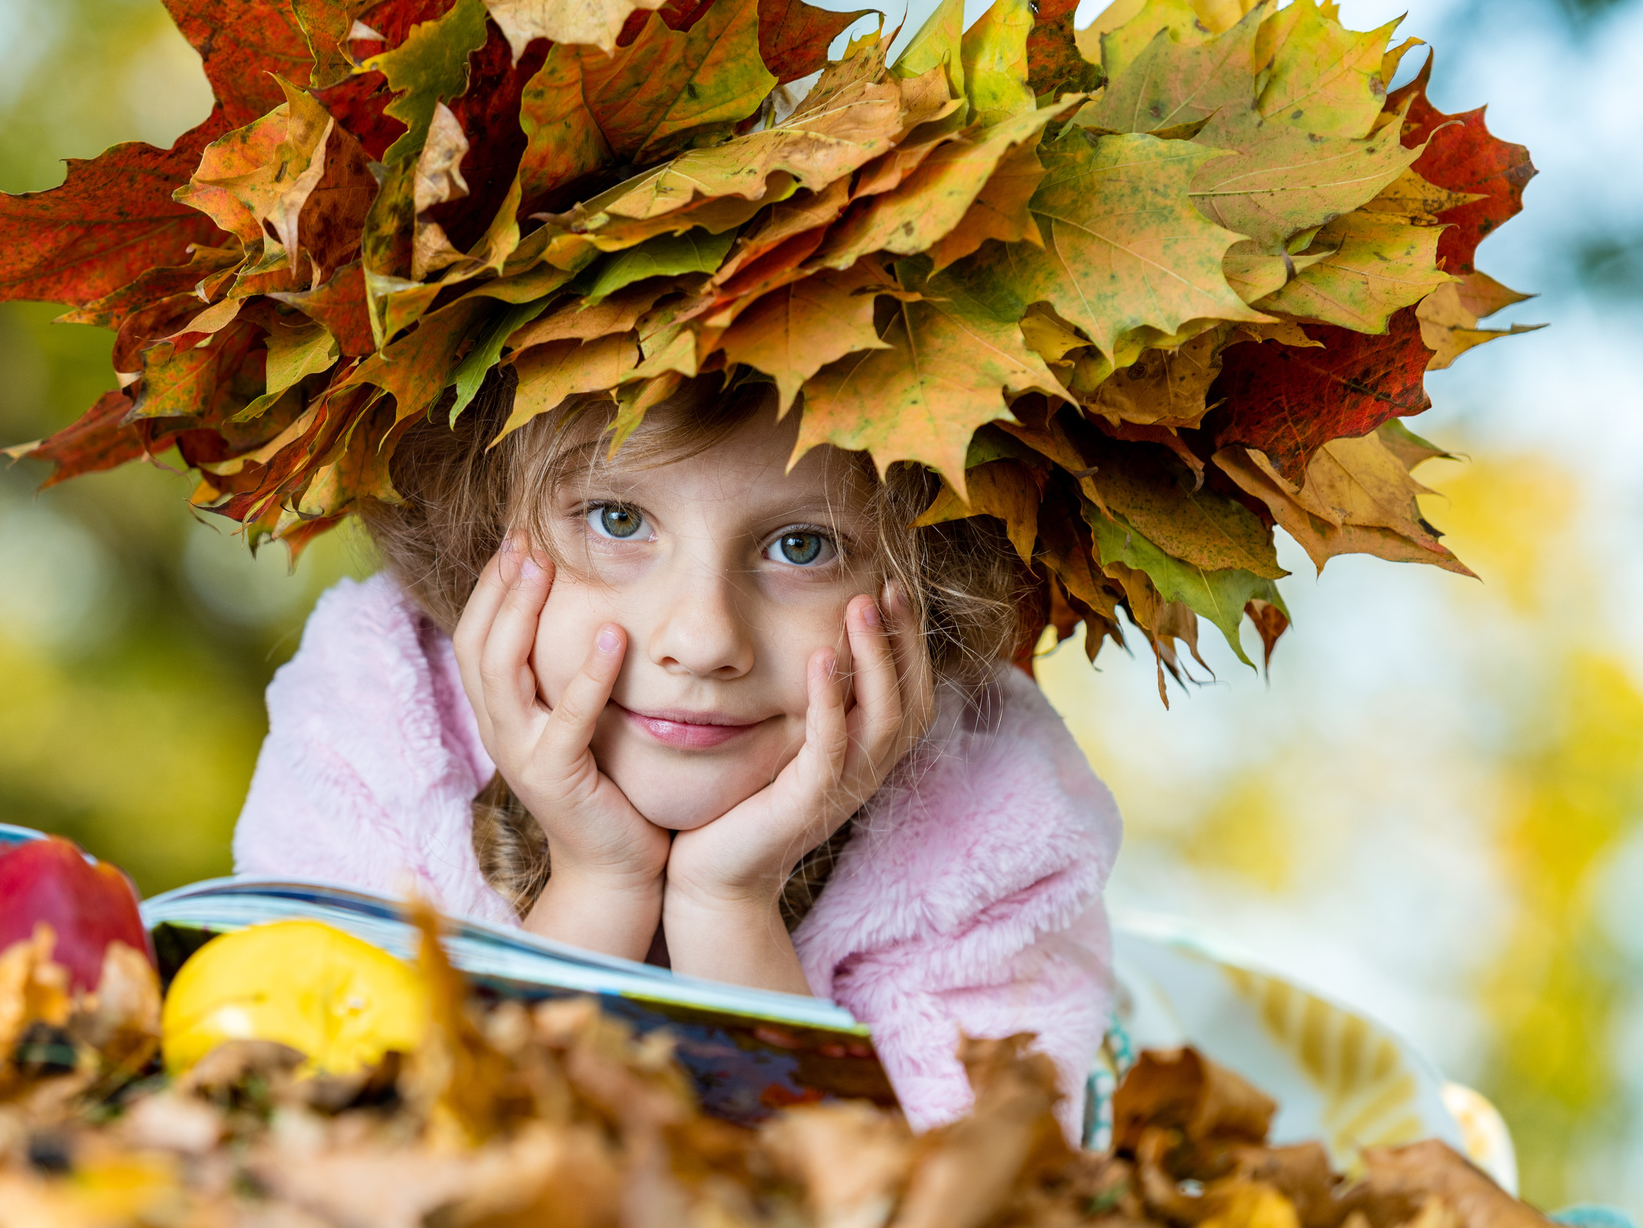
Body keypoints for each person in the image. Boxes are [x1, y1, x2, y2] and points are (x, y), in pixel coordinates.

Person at [231, 373, 1120, 1135]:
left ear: (920, 585)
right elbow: (358, 1166)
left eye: (800, 546)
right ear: (480, 529)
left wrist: (728, 905)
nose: (700, 639)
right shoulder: (378, 716)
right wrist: (600, 886)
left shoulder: (997, 821)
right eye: (617, 519)